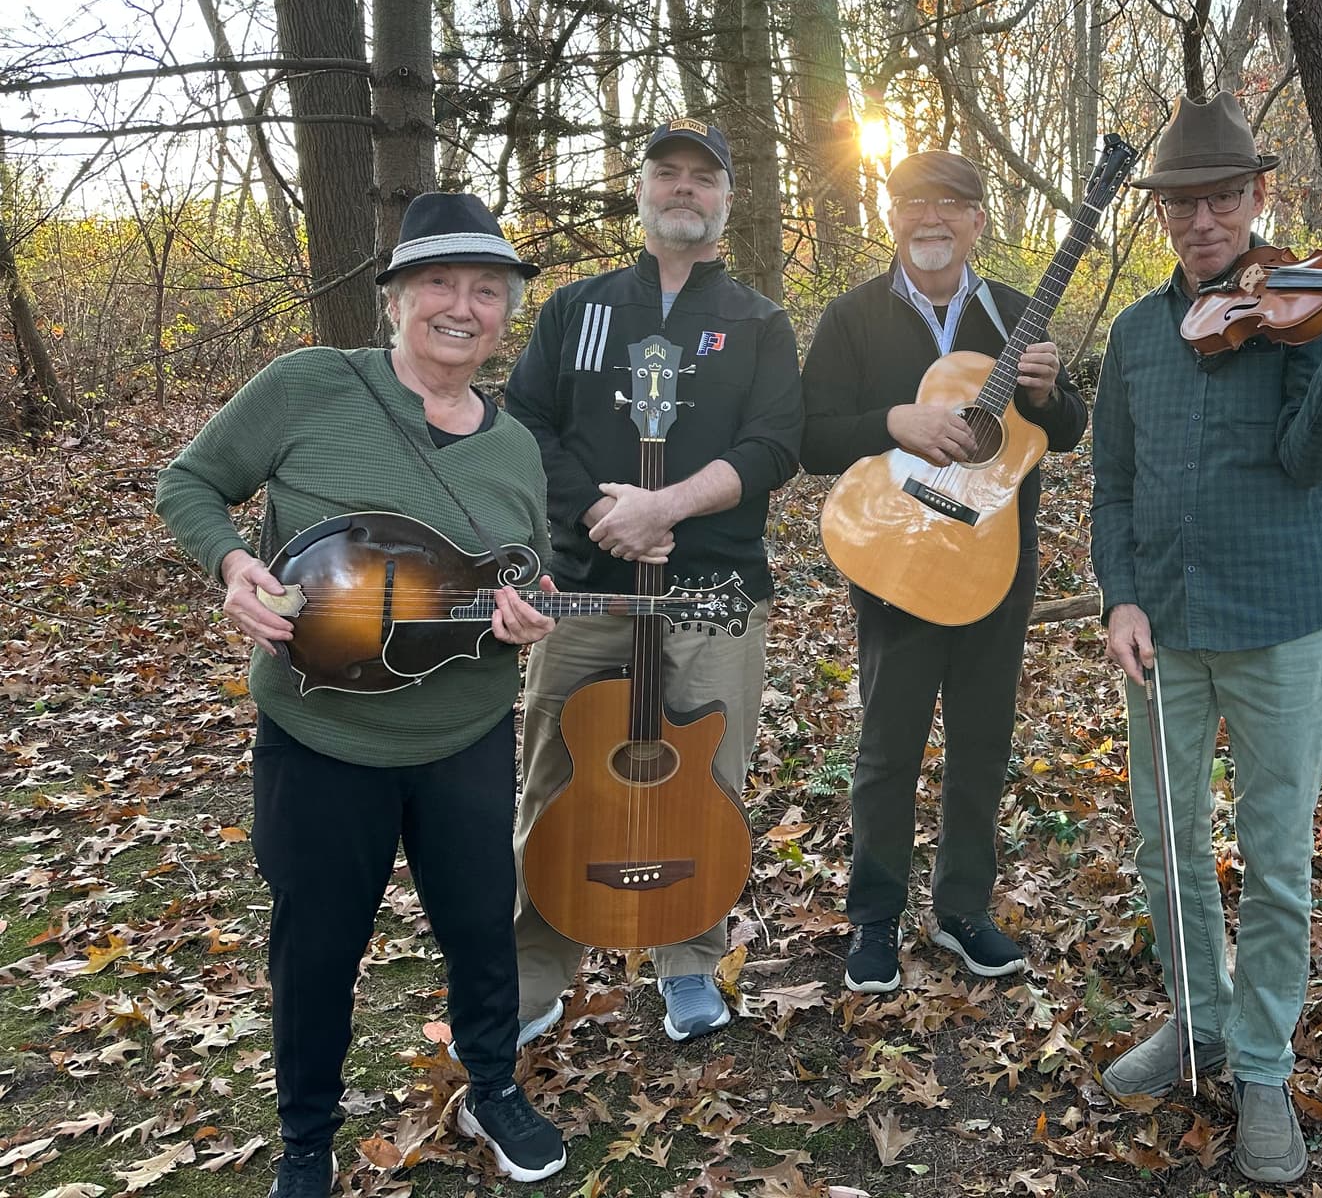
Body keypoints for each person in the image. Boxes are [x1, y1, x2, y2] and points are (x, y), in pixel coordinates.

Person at [154, 194, 568, 1197]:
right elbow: (189, 484)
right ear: (393, 299)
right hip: (320, 736)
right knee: (319, 946)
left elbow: (529, 575)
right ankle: (305, 1140)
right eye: (439, 284)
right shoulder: (308, 387)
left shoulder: (514, 448)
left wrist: (537, 612)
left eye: (486, 290)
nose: (462, 307)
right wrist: (230, 567)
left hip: (462, 733)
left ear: (505, 312)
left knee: (480, 929)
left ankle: (493, 1086)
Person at [1089, 93, 1322, 1185]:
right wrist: (1119, 599)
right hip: (1165, 630)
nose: (1201, 220)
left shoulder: (1305, 314)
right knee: (1165, 840)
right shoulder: (1138, 334)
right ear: (1164, 216)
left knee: (1275, 857)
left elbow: (1306, 463)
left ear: (1260, 198)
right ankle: (1198, 1021)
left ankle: (1264, 1065)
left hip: (1281, 624)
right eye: (1182, 204)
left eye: (1222, 197)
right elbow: (1114, 487)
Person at [505, 117, 802, 1044]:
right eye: (666, 174)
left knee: (707, 774)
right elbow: (523, 425)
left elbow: (774, 445)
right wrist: (607, 515)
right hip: (584, 582)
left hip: (713, 589)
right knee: (556, 772)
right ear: (640, 189)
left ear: (727, 199)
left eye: (701, 178)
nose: (684, 190)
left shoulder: (759, 321)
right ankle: (533, 976)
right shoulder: (575, 308)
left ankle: (688, 958)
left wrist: (666, 506)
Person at [801, 149, 1087, 994]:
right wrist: (896, 421)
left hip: (997, 555)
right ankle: (875, 916)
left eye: (950, 204)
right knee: (889, 744)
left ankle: (962, 908)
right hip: (894, 550)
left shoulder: (1012, 314)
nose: (931, 218)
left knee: (982, 739)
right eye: (912, 202)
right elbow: (810, 436)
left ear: (978, 221)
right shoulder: (852, 317)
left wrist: (1046, 393)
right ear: (890, 217)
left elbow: (1066, 431)